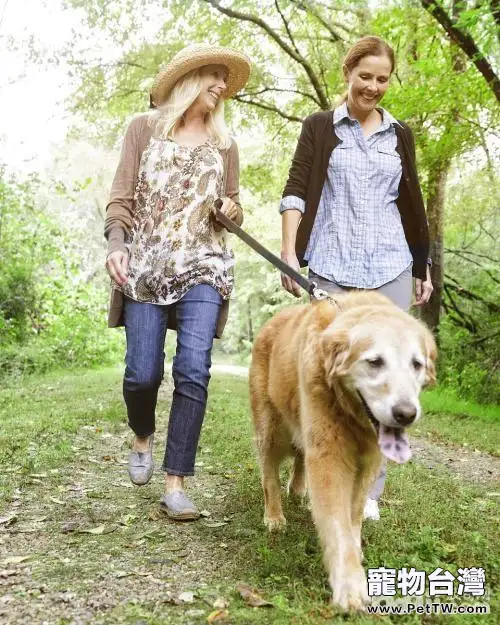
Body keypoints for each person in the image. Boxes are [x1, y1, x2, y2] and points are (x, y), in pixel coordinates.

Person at [279, 35, 433, 521]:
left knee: (386, 377)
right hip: (333, 266)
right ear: (347, 73)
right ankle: (319, 466)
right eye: (364, 76)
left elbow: (412, 204)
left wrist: (421, 266)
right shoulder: (321, 127)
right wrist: (289, 250)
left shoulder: (399, 135)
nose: (373, 86)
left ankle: (367, 489)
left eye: (382, 78)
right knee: (328, 375)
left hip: (390, 267)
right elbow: (296, 189)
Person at [104, 44, 251, 520]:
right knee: (142, 373)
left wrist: (232, 211)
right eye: (213, 75)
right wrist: (116, 245)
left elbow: (233, 206)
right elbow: (120, 198)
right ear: (188, 78)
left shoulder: (224, 144)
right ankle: (142, 435)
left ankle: (176, 482)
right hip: (146, 264)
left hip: (204, 265)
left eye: (224, 79)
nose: (221, 85)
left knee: (193, 368)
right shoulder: (142, 129)